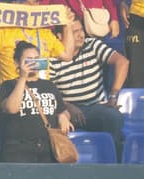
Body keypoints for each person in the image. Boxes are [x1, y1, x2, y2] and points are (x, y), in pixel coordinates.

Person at [49, 18, 127, 156]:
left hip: (94, 107)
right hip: (66, 110)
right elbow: (49, 91)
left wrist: (113, 96)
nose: (81, 35)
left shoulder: (92, 45)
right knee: (52, 120)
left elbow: (122, 62)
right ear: (60, 36)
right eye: (75, 32)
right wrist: (66, 106)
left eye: (81, 30)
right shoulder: (53, 56)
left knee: (113, 116)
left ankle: (110, 158)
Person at [0, 42, 72, 163]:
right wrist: (23, 77)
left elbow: (62, 110)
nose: (33, 63)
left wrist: (63, 116)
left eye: (36, 59)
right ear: (17, 62)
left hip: (48, 147)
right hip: (18, 148)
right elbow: (12, 108)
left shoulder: (49, 85)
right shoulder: (8, 85)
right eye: (29, 60)